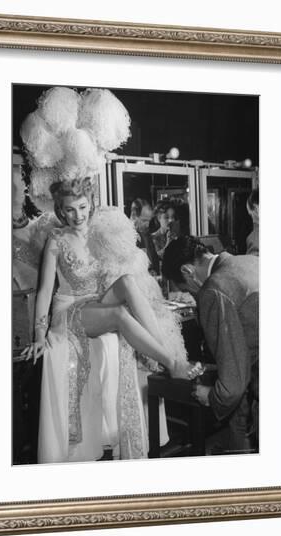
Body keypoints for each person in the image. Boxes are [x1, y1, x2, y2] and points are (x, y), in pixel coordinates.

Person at [20, 178, 192, 463]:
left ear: (91, 204)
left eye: (83, 207)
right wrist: (39, 335)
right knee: (118, 315)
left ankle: (162, 353)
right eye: (70, 210)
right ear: (61, 211)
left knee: (127, 282)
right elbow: (45, 290)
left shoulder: (99, 232)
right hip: (70, 310)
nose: (78, 215)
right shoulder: (56, 239)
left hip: (95, 302)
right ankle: (172, 364)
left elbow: (120, 271)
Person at [162, 236, 259, 452]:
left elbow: (232, 384)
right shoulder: (249, 261)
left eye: (186, 289)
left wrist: (212, 397)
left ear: (187, 271)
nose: (192, 294)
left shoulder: (213, 290)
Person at [246, 189, 259, 256]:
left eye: (251, 215)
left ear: (256, 209)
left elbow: (252, 265)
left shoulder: (254, 237)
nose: (252, 221)